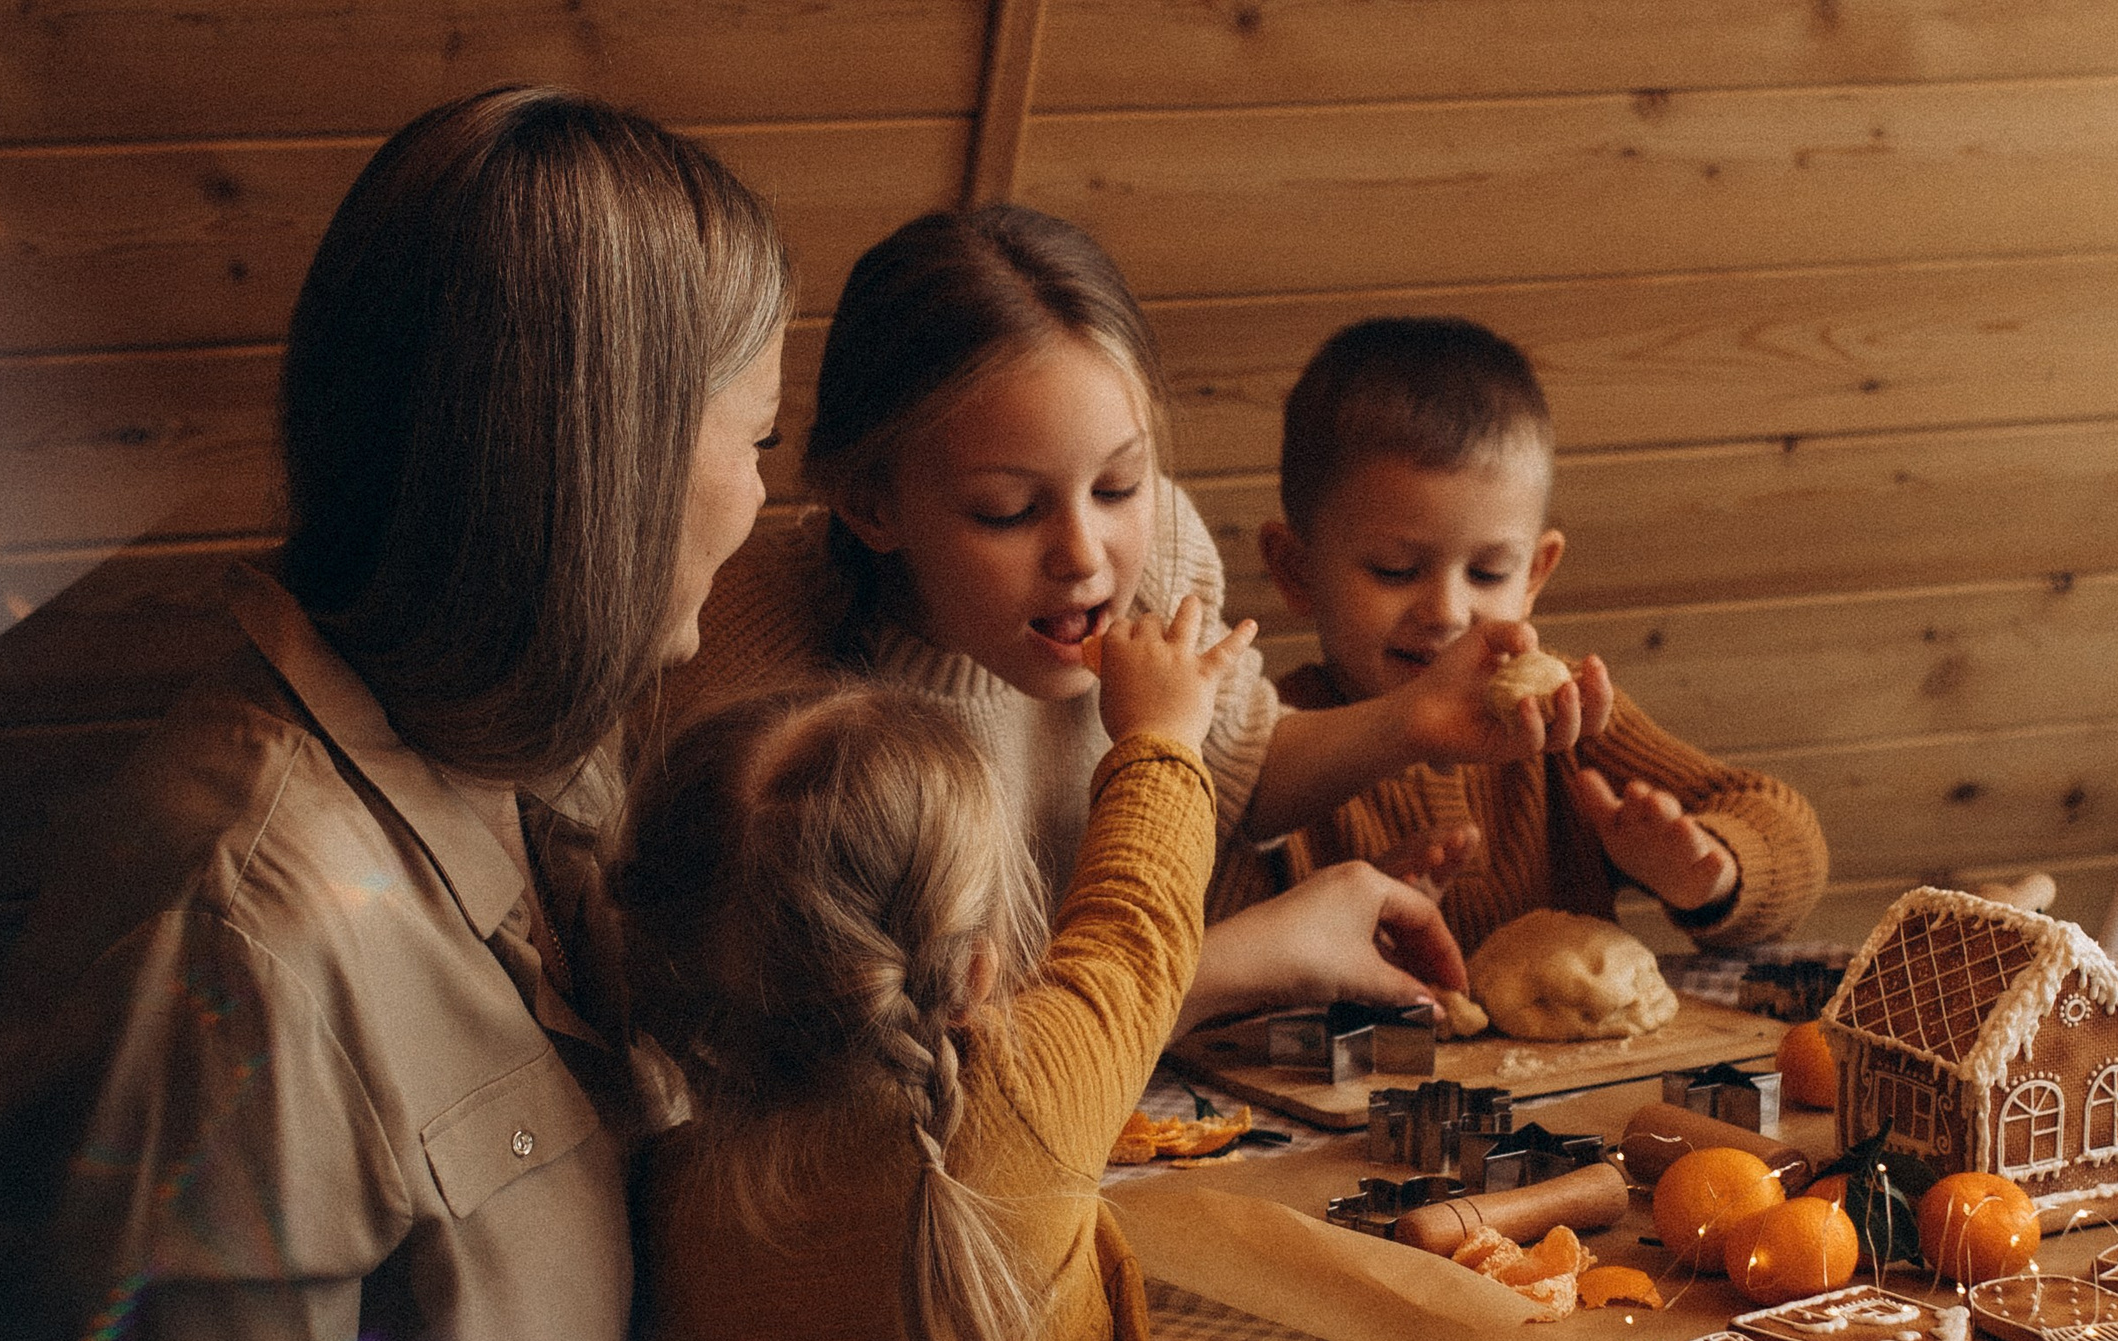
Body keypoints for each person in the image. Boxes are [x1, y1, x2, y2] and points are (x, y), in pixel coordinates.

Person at [0, 87, 791, 1341]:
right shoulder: (244, 939)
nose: (765, 499)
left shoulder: (539, 754)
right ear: (605, 474)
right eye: (754, 440)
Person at [653, 206, 1615, 1028]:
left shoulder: (1154, 559)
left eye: (1119, 484)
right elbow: (908, 1059)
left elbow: (1237, 771)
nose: (1085, 554)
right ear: (872, 505)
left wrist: (1410, 721)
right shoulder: (762, 659)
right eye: (1008, 511)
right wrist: (1248, 960)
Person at [620, 602, 1300, 1341]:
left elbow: (1128, 937)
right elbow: (1137, 920)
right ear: (982, 971)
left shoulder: (664, 1202)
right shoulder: (1020, 1108)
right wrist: (1161, 733)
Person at [1218, 315, 1827, 950]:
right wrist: (1349, 922)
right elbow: (1207, 951)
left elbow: (1785, 829)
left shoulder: (1566, 716)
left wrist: (1710, 872)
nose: (1447, 612)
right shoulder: (1268, 754)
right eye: (1394, 570)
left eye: (1488, 573)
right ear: (1296, 569)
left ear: (1536, 573)